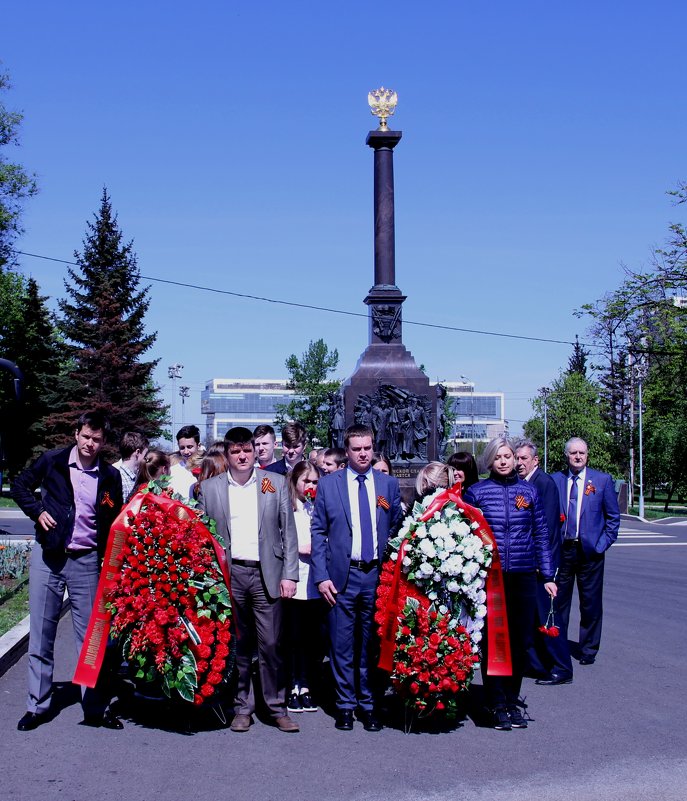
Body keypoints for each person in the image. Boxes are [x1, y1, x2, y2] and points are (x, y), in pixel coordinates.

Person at [11, 411, 124, 731]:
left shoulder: (109, 476)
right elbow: (20, 487)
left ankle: (95, 707)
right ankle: (38, 704)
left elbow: (113, 518)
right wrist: (37, 512)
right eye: (86, 436)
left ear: (104, 443)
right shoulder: (52, 461)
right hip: (49, 557)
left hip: (87, 561)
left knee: (91, 639)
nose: (90, 443)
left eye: (97, 439)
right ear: (77, 434)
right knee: (42, 635)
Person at [197, 427, 300, 733]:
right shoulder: (211, 488)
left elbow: (288, 531)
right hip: (230, 575)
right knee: (238, 645)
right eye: (235, 451)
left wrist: (289, 574)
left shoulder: (275, 483)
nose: (242, 456)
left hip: (266, 573)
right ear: (226, 455)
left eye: (247, 450)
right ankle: (243, 707)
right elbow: (202, 535)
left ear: (256, 452)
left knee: (270, 644)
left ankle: (276, 707)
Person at [310, 424, 403, 732]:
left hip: (375, 575)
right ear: (346, 451)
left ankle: (369, 704)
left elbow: (396, 526)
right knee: (341, 645)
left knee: (371, 644)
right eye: (357, 449)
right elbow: (319, 531)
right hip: (341, 577)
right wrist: (321, 577)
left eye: (368, 448)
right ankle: (345, 705)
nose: (364, 454)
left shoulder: (387, 485)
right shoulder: (330, 484)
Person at [464, 436, 556, 731]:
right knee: (494, 642)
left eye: (508, 456)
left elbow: (541, 534)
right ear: (489, 461)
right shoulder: (477, 492)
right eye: (498, 457)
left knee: (519, 642)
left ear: (516, 460)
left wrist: (548, 573)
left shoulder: (528, 491)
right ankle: (495, 701)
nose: (503, 461)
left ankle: (512, 699)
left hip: (523, 575)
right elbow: (467, 536)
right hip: (491, 578)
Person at [551, 437, 619, 667]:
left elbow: (613, 518)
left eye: (582, 453)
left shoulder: (601, 480)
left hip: (590, 552)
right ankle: (558, 646)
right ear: (566, 455)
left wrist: (600, 545)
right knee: (559, 602)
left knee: (590, 603)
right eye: (573, 453)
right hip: (563, 551)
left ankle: (588, 648)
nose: (578, 457)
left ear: (587, 455)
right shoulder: (555, 481)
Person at [513, 439, 572, 685]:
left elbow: (546, 528)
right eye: (517, 459)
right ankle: (538, 665)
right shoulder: (524, 483)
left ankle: (562, 667)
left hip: (543, 564)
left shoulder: (543, 484)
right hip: (529, 562)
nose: (518, 464)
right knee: (534, 615)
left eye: (523, 459)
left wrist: (544, 567)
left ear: (535, 460)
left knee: (548, 615)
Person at [285, 461, 324, 714]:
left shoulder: (317, 508)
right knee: (292, 637)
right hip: (294, 578)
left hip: (314, 580)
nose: (310, 486)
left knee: (312, 637)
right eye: (305, 481)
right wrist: (298, 547)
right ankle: (291, 684)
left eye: (314, 482)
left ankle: (306, 684)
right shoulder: (288, 507)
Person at [113, 432, 149, 499]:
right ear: (137, 452)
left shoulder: (134, 476)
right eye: (145, 454)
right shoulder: (120, 479)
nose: (146, 459)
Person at [169, 424, 201, 499]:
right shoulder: (172, 471)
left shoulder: (207, 469)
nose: (186, 452)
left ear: (198, 446)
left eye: (190, 447)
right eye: (182, 448)